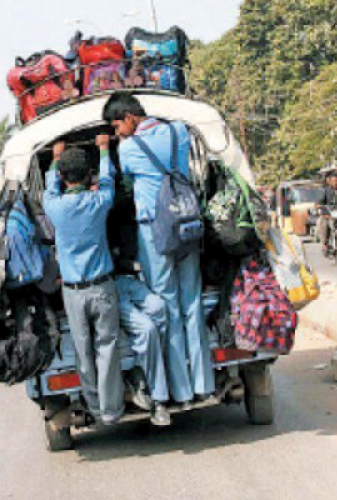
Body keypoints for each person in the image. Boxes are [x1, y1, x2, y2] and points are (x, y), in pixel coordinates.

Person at [103, 91, 213, 406]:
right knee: (191, 302)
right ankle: (203, 381)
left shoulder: (127, 149)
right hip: (187, 225)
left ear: (129, 117)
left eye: (116, 126)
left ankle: (180, 390)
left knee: (168, 306)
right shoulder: (178, 130)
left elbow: (124, 186)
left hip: (155, 232)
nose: (116, 133)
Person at [43, 135, 125, 425]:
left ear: (64, 178)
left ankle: (93, 404)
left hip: (73, 293)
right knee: (108, 349)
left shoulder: (54, 206)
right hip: (102, 287)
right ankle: (112, 409)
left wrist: (55, 156)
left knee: (83, 352)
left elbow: (49, 186)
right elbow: (108, 180)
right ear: (88, 174)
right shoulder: (99, 202)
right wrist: (104, 149)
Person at [114, 267, 171, 426]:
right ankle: (158, 398)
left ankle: (142, 372)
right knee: (147, 329)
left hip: (127, 279)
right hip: (106, 286)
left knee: (159, 307)